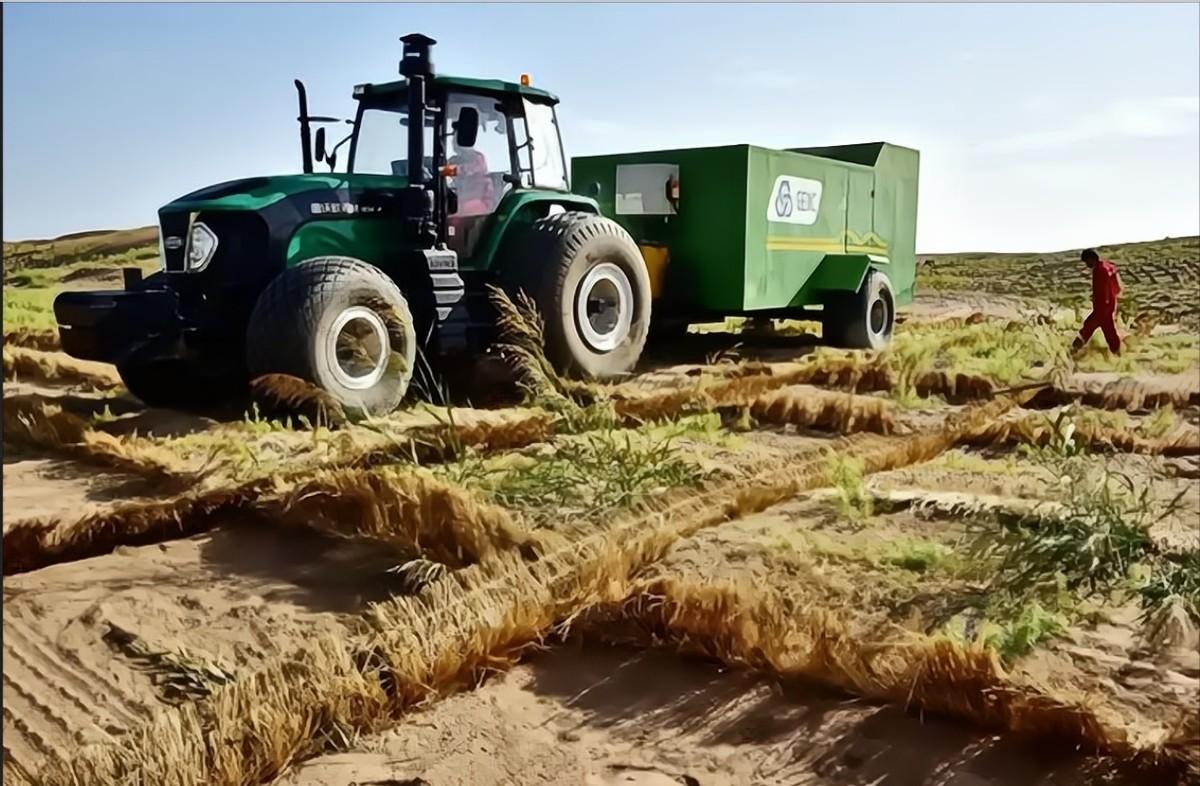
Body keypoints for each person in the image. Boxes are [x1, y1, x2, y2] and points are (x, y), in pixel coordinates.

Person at [1073, 248, 1122, 355]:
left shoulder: (1099, 271)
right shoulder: (1108, 266)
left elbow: (1101, 291)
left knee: (1101, 330)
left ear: (1091, 259)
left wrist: (1103, 308)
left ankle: (1073, 352)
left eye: (1087, 262)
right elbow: (1117, 288)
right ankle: (1117, 354)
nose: (1086, 265)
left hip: (1102, 307)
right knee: (1098, 329)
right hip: (1109, 304)